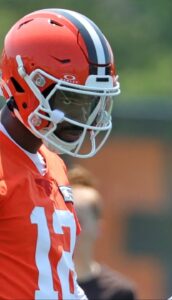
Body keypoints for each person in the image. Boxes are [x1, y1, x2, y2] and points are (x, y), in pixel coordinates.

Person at [0, 8, 120, 299]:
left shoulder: (52, 163)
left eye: (94, 102)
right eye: (73, 99)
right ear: (26, 84)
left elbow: (59, 279)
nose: (86, 117)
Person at [68, 165, 137, 300]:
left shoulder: (120, 292)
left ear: (99, 228)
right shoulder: (42, 284)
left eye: (79, 220)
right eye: (66, 219)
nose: (71, 228)